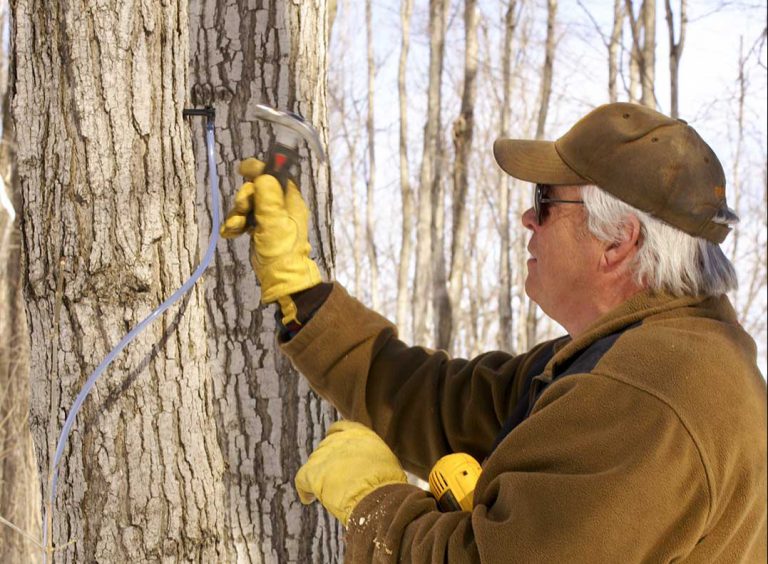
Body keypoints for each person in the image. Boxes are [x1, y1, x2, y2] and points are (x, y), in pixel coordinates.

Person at [221, 102, 767, 562]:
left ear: (617, 242)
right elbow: (439, 402)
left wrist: (376, 504)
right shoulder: (627, 356)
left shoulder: (650, 393)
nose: (528, 220)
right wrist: (301, 289)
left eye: (545, 202)